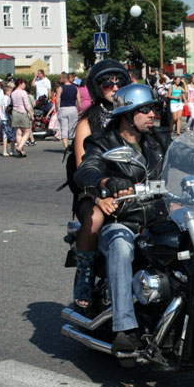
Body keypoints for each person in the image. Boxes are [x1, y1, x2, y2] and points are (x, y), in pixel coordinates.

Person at [73, 83, 194, 352]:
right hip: (124, 219)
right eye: (146, 109)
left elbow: (193, 157)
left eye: (154, 108)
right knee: (120, 245)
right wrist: (107, 180)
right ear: (127, 114)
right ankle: (125, 327)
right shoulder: (102, 141)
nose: (154, 114)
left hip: (161, 217)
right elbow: (87, 169)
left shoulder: (158, 140)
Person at [64, 60, 130, 309]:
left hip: (129, 190)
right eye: (107, 83)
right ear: (96, 87)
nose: (114, 87)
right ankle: (85, 274)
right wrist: (99, 195)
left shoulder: (133, 117)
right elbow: (83, 168)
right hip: (92, 193)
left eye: (119, 82)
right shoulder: (87, 124)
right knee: (96, 218)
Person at [55, 72, 81, 149]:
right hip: (73, 108)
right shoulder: (75, 88)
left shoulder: (60, 88)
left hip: (63, 109)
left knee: (64, 128)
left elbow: (57, 101)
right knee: (73, 128)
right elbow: (79, 100)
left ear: (64, 79)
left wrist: (57, 109)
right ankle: (74, 145)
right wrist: (80, 109)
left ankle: (66, 147)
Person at [10, 78, 33, 157]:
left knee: (18, 133)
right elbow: (27, 105)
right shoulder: (23, 92)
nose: (25, 85)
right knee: (27, 132)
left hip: (15, 113)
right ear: (20, 83)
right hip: (22, 113)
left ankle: (22, 151)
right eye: (24, 83)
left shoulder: (13, 93)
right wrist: (31, 114)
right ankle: (19, 147)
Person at [0, 83, 15, 156]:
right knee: (12, 135)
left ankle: (5, 150)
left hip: (2, 118)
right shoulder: (7, 98)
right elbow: (6, 109)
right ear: (7, 91)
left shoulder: (2, 98)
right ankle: (12, 150)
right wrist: (9, 117)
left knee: (5, 135)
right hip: (7, 118)